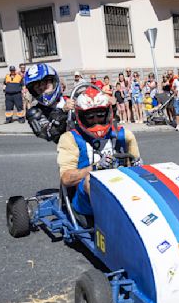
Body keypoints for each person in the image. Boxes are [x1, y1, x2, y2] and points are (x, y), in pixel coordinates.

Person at [57, 85, 141, 223]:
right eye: (90, 117)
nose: (96, 120)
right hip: (85, 198)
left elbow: (135, 164)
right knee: (94, 181)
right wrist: (95, 168)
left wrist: (138, 165)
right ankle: (112, 224)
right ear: (81, 117)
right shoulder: (70, 138)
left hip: (121, 188)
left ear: (107, 113)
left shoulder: (124, 135)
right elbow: (66, 179)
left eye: (100, 115)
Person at [24, 64, 75, 143]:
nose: (42, 90)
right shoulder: (35, 113)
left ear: (54, 82)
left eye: (45, 86)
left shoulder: (70, 99)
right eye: (38, 88)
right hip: (69, 149)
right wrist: (63, 111)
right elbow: (48, 133)